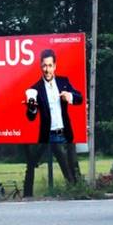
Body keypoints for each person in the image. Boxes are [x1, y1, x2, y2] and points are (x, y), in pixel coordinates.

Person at [25, 48, 84, 180]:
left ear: (55, 66)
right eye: (44, 66)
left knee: (72, 162)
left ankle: (77, 189)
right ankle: (71, 189)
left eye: (50, 65)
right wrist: (32, 107)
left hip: (65, 132)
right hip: (49, 134)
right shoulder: (35, 89)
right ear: (41, 66)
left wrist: (70, 96)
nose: (47, 69)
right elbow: (31, 117)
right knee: (59, 165)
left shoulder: (63, 82)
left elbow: (79, 98)